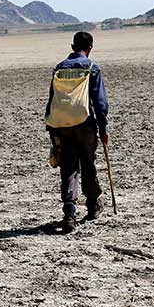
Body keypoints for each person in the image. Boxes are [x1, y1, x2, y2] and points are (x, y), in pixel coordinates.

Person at [44, 30, 109, 233]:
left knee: (68, 169)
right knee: (88, 165)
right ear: (90, 48)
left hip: (60, 125)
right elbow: (100, 102)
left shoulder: (59, 68)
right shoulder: (92, 67)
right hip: (84, 124)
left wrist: (52, 128)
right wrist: (103, 127)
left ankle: (69, 213)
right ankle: (92, 206)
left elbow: (52, 99)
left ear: (72, 47)